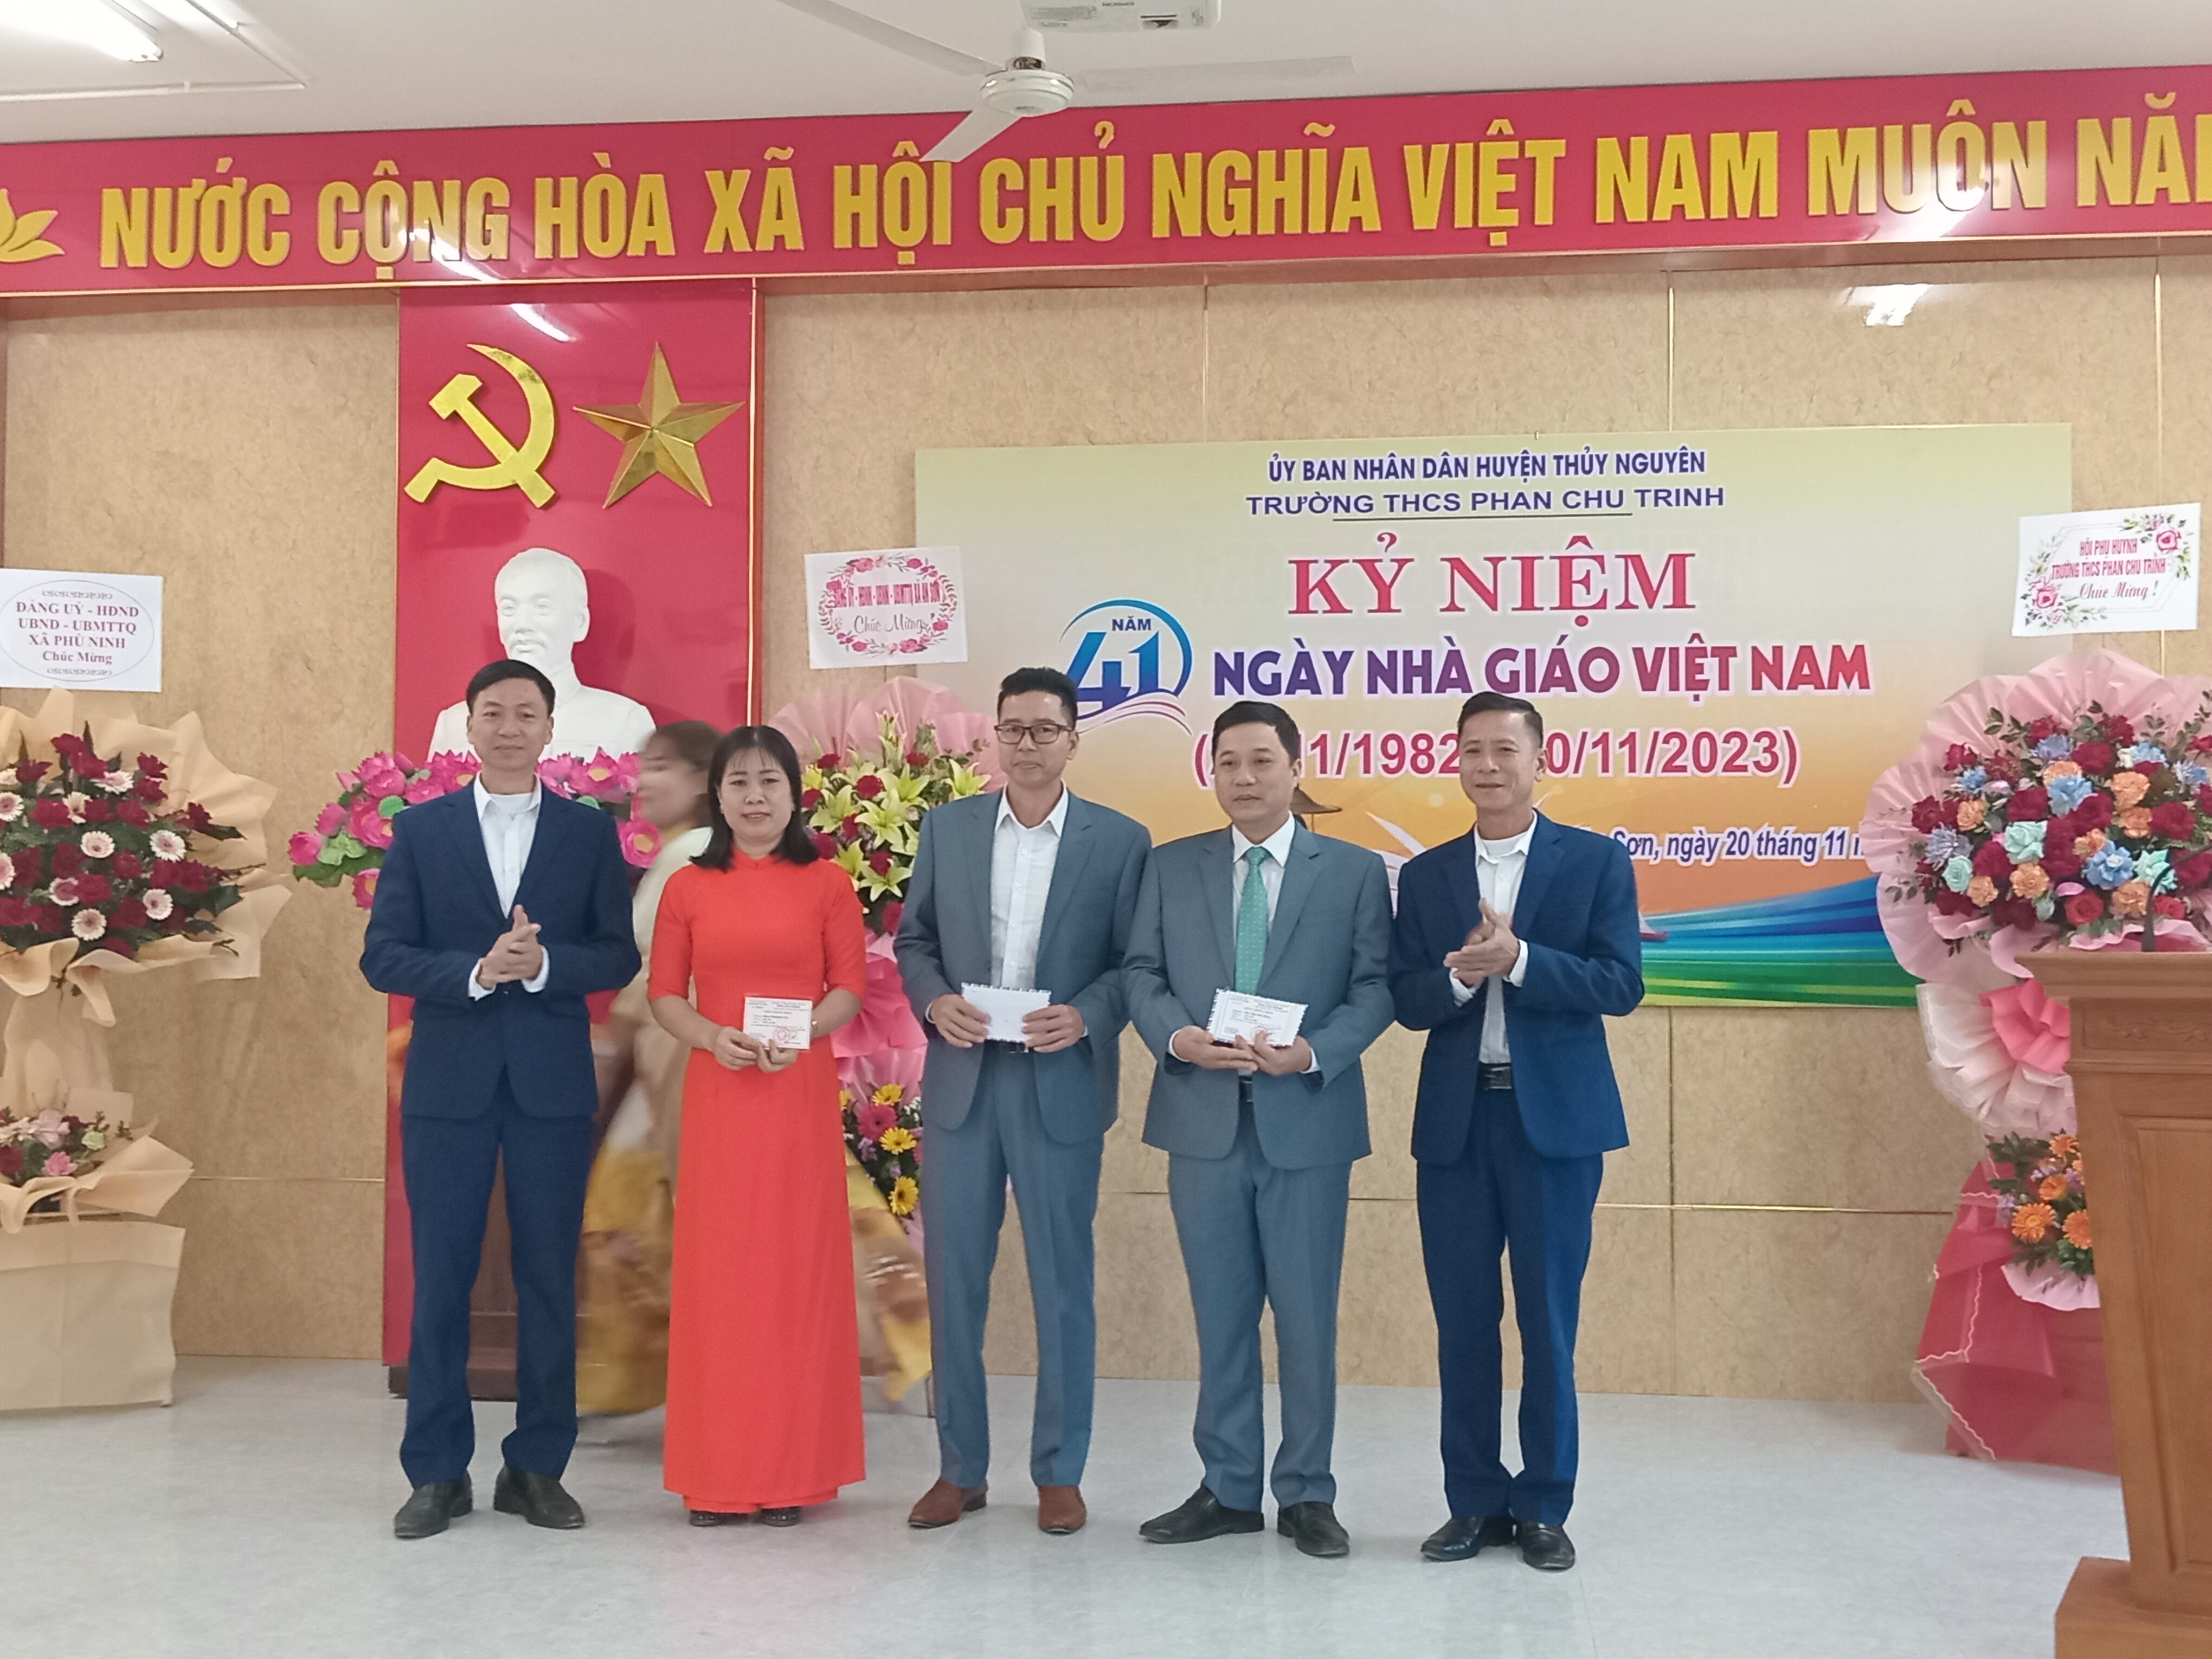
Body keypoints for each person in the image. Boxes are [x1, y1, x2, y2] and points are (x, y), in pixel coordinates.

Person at [362, 658, 641, 1541]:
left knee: (548, 1279)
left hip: (550, 1088)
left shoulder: (588, 834)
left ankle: (537, 1468)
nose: (511, 728)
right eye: (494, 713)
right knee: (442, 1278)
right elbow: (383, 955)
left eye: (527, 713)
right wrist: (478, 971)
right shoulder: (421, 831)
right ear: (469, 726)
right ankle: (436, 1473)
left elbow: (618, 953)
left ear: (551, 729)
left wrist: (548, 965)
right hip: (448, 1086)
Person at [1123, 700, 1393, 1560]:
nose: (1244, 778)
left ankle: (1308, 1491)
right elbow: (1140, 972)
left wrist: (1314, 1053)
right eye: (1228, 763)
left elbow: (1377, 987)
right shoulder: (1171, 866)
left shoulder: (1352, 871)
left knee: (1307, 1318)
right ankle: (1230, 1486)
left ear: (1295, 768)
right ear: (1211, 771)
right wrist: (1177, 1037)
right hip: (1202, 1121)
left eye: (1262, 761)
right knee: (1222, 1315)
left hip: (1305, 1122)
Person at [1389, 691, 1643, 1573]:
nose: (1488, 766)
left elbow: (1620, 984)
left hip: (1556, 1128)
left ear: (1541, 761)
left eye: (1505, 750)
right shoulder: (1427, 876)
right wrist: (1462, 978)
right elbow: (1406, 998)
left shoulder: (1596, 862)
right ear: (1455, 762)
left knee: (1547, 1321)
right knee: (1463, 1322)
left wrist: (1523, 960)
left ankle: (1543, 1505)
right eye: (1473, 750)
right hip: (1457, 1127)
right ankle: (1473, 1502)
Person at [894, 666, 1150, 1537]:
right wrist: (934, 1001)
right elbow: (915, 940)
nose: (1028, 744)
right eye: (1014, 729)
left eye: (1046, 729)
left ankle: (1059, 1471)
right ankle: (959, 1469)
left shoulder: (1120, 841)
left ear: (1074, 740)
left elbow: (1134, 964)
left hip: (1058, 1080)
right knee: (954, 1284)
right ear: (995, 737)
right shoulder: (950, 828)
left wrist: (1089, 1016)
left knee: (1062, 1282)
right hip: (965, 1079)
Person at [649, 725, 869, 1526]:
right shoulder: (688, 888)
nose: (754, 797)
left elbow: (848, 989)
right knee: (721, 1282)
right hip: (720, 1094)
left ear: (794, 793)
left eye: (769, 781)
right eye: (738, 782)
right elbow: (665, 995)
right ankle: (715, 1475)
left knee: (792, 1278)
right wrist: (713, 1038)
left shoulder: (828, 884)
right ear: (717, 795)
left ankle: (793, 1475)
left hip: (795, 1095)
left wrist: (802, 1030)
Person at [576, 719, 719, 1417]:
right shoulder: (686, 851)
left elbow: (661, 971)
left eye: (661, 766)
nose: (644, 780)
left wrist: (612, 1043)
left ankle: (651, 1376)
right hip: (675, 1056)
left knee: (627, 1212)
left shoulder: (689, 854)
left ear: (702, 779)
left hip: (676, 1059)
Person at [428, 547, 656, 761]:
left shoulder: (625, 722)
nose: (522, 625)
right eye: (509, 609)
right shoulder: (454, 725)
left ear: (579, 622)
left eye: (542, 607)